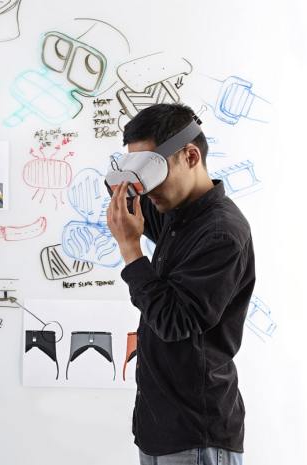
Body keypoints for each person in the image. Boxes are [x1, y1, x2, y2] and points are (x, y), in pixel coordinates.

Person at [106, 103, 255, 465]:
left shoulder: (220, 233)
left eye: (153, 172)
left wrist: (131, 250)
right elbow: (128, 200)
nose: (149, 190)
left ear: (190, 156)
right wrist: (128, 177)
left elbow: (174, 322)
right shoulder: (178, 217)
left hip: (196, 433)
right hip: (161, 428)